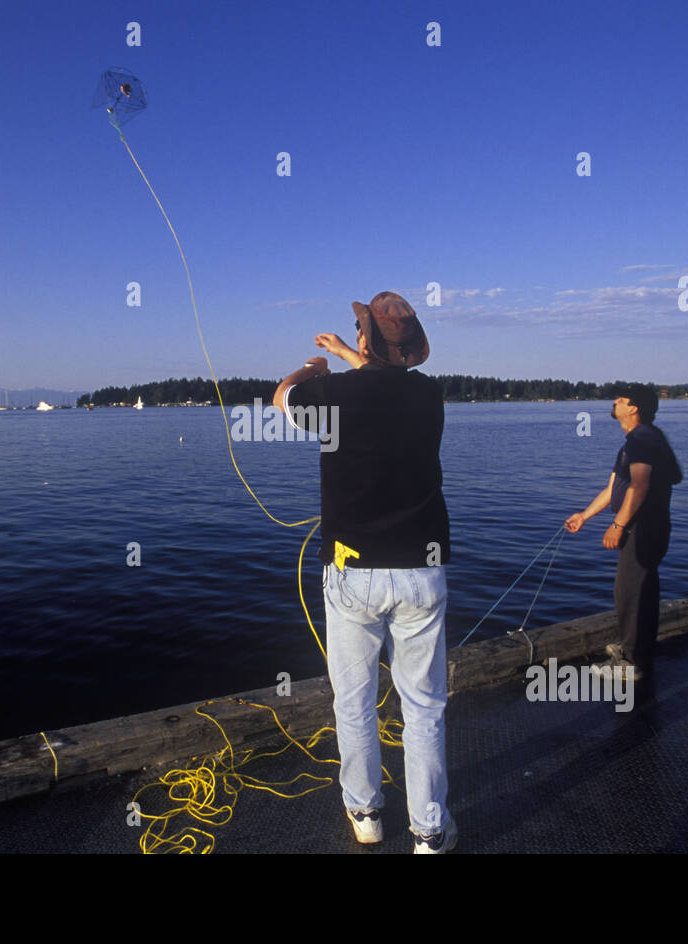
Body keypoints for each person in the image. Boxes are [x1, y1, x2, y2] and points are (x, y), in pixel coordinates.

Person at [272, 291, 455, 853]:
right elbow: (384, 385)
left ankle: (366, 814)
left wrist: (314, 364)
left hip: (352, 574)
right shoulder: (430, 395)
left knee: (353, 702)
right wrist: (352, 358)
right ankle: (429, 832)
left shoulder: (331, 392)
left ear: (364, 340)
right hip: (421, 572)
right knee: (423, 707)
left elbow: (281, 399)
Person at [564, 383, 682, 682]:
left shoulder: (641, 440)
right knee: (631, 589)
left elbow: (639, 485)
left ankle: (632, 663)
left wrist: (618, 525)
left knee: (633, 592)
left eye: (621, 398)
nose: (614, 401)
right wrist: (584, 515)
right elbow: (614, 487)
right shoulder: (640, 440)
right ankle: (635, 649)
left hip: (642, 527)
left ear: (634, 408)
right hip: (644, 525)